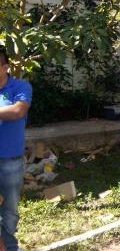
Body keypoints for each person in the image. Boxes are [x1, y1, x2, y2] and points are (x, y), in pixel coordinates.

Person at [0, 48, 32, 251]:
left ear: (5, 67)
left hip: (11, 159)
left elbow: (18, 110)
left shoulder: (20, 86)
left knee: (10, 209)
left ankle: (10, 245)